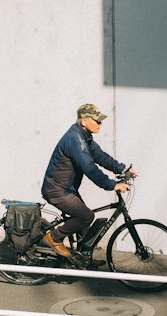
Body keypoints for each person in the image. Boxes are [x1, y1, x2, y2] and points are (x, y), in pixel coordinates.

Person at [40, 103, 135, 257]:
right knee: (86, 216)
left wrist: (123, 169)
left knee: (84, 222)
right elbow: (89, 168)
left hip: (67, 189)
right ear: (84, 121)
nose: (100, 124)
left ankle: (83, 257)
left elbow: (100, 156)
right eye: (97, 121)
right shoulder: (74, 139)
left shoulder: (84, 136)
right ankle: (54, 237)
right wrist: (112, 185)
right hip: (57, 190)